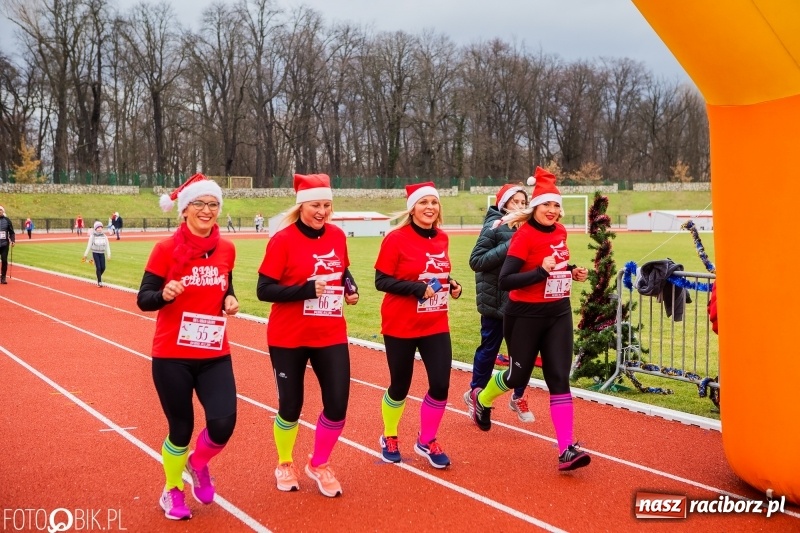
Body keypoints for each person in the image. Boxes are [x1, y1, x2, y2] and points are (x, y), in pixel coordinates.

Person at [467, 167, 591, 471]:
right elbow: (506, 280)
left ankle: (566, 449)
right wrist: (541, 272)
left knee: (559, 378)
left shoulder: (561, 232)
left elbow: (555, 261)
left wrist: (570, 270)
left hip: (558, 312)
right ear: (535, 207)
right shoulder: (523, 236)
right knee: (517, 377)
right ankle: (482, 399)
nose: (552, 210)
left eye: (556, 205)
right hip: (524, 316)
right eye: (546, 204)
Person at [136, 173, 239, 520]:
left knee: (224, 423)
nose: (207, 210)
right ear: (184, 210)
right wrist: (163, 295)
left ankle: (198, 462)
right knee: (180, 428)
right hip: (172, 356)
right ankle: (172, 490)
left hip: (214, 352)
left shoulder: (227, 248)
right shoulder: (165, 249)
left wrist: (230, 298)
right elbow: (144, 299)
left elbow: (226, 285)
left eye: (213, 204)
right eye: (199, 203)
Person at [256, 173, 359, 498]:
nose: (322, 211)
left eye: (327, 205)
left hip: (330, 333)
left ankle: (319, 463)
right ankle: (285, 463)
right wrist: (304, 290)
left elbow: (341, 271)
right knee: (291, 405)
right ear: (302, 205)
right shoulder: (282, 240)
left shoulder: (338, 236)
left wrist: (349, 287)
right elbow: (264, 290)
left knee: (338, 405)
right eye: (316, 204)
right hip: (289, 336)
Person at [374, 182, 462, 469]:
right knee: (400, 385)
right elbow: (381, 281)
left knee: (440, 384)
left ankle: (427, 440)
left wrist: (452, 284)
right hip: (401, 323)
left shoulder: (442, 239)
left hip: (435, 321)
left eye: (434, 203)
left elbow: (438, 274)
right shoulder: (396, 239)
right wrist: (416, 288)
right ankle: (389, 435)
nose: (429, 208)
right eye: (423, 203)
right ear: (412, 208)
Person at [465, 183, 534, 423]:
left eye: (524, 202)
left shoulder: (530, 228)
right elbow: (476, 261)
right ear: (504, 204)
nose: (521, 206)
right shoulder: (494, 226)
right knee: (489, 349)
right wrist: (510, 245)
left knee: (523, 354)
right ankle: (475, 392)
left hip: (521, 302)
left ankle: (518, 396)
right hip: (495, 301)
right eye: (516, 202)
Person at [82, 221, 111, 286]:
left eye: (101, 227)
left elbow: (107, 246)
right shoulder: (92, 236)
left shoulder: (104, 236)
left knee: (103, 267)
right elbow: (89, 246)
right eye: (98, 227)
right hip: (95, 253)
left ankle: (98, 277)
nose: (100, 229)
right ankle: (99, 282)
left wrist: (109, 255)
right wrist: (85, 255)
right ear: (95, 229)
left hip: (102, 253)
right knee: (98, 267)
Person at [0, 205, 15, 285]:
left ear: (3, 211)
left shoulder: (7, 220)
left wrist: (13, 240)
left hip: (4, 244)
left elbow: (12, 232)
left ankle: (3, 277)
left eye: (0, 210)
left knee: (4, 260)